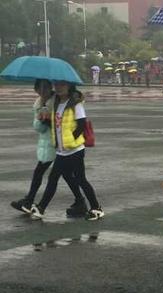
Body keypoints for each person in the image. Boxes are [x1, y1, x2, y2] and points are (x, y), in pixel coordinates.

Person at [30, 81, 104, 221]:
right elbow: (56, 125)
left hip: (74, 150)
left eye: (62, 85)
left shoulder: (75, 103)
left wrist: (71, 140)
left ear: (69, 86)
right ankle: (41, 208)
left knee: (81, 179)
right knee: (53, 179)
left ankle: (96, 208)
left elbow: (81, 124)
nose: (59, 87)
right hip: (61, 151)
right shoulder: (57, 104)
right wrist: (44, 120)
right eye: (57, 85)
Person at [10, 79, 85, 217]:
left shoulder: (55, 102)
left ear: (51, 88)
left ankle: (31, 202)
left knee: (44, 172)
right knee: (66, 174)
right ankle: (80, 202)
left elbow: (60, 124)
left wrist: (46, 120)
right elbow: (39, 127)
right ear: (36, 89)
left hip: (57, 144)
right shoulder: (40, 103)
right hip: (49, 144)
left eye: (46, 87)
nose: (42, 91)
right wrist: (41, 119)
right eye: (39, 88)